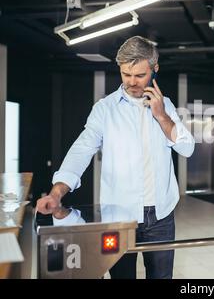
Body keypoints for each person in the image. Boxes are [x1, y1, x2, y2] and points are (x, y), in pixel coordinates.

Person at [36, 36, 195, 279]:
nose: (132, 82)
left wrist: (162, 116)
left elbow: (187, 148)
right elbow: (82, 148)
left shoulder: (167, 106)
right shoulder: (104, 109)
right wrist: (58, 192)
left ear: (155, 69)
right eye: (125, 74)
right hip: (118, 216)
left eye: (140, 75)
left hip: (161, 215)